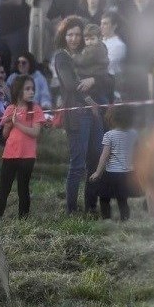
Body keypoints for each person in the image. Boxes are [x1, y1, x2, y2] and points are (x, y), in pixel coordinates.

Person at [52, 16, 103, 214]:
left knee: (95, 160)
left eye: (78, 35)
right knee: (77, 164)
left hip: (95, 114)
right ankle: (71, 209)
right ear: (64, 36)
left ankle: (91, 206)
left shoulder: (89, 54)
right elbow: (70, 85)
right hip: (77, 114)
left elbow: (107, 77)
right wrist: (90, 100)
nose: (73, 38)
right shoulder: (62, 57)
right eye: (70, 34)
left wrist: (94, 79)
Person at [0, 73, 45, 218]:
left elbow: (35, 132)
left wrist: (18, 123)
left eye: (32, 89)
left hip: (27, 156)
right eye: (27, 89)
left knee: (23, 188)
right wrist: (9, 123)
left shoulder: (35, 109)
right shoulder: (10, 109)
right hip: (10, 154)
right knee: (4, 187)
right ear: (18, 90)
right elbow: (4, 135)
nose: (31, 92)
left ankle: (23, 219)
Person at [91, 105, 139, 221]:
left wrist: (97, 172)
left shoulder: (109, 135)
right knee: (122, 199)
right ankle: (125, 219)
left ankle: (106, 218)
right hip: (128, 173)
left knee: (104, 197)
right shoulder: (134, 134)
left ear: (111, 118)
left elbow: (104, 156)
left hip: (112, 173)